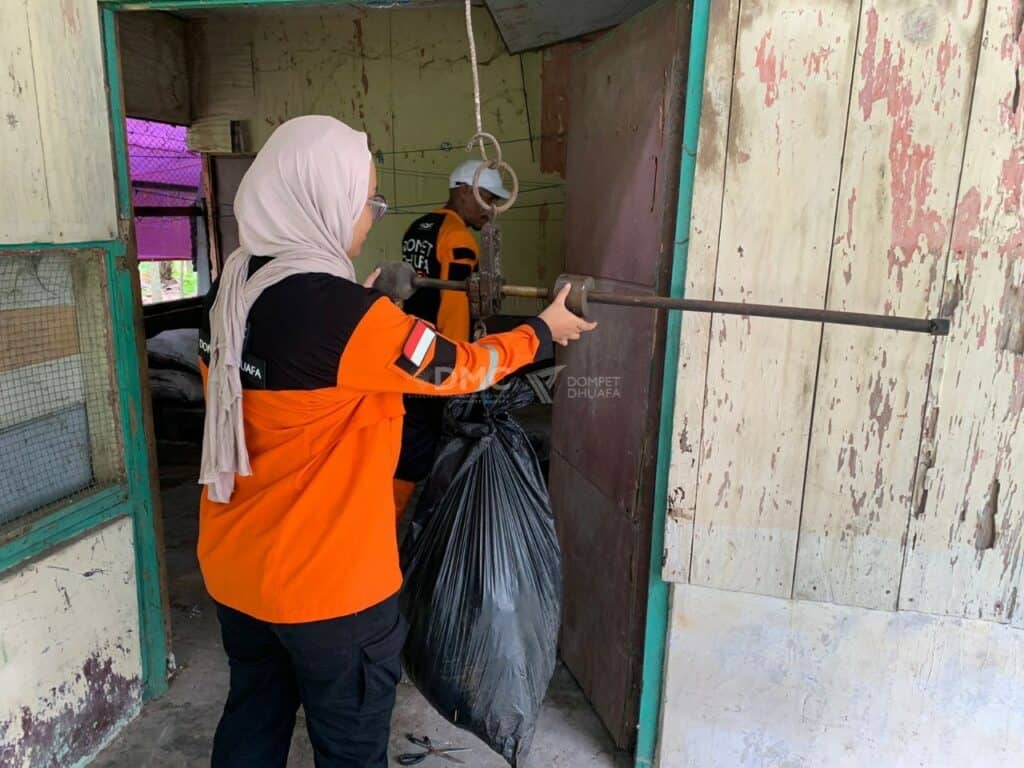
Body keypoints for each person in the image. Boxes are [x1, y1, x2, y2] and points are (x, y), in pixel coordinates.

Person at [197, 115, 596, 768]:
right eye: (366, 202)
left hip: (237, 571)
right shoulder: (349, 320)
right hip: (330, 590)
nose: (368, 218)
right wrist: (542, 332)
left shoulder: (231, 290)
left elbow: (298, 357)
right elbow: (459, 367)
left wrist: (367, 299)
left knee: (253, 719)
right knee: (351, 750)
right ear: (322, 199)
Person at [392, 160, 510, 519]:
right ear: (464, 191)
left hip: (407, 346)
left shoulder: (418, 227)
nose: (491, 211)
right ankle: (390, 522)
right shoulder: (459, 239)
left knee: (406, 433)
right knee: (417, 446)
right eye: (487, 199)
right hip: (435, 357)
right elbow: (455, 302)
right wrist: (456, 366)